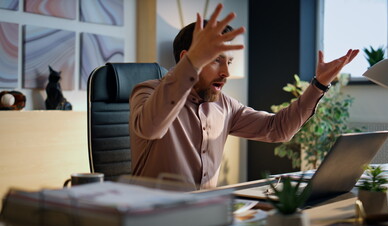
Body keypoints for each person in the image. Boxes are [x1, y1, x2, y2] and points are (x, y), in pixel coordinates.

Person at [129, 4, 359, 190]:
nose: (226, 73)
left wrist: (319, 84)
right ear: (187, 58)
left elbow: (279, 128)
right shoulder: (147, 91)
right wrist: (193, 64)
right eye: (216, 59)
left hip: (206, 218)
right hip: (152, 220)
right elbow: (151, 127)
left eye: (229, 62)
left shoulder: (225, 105)